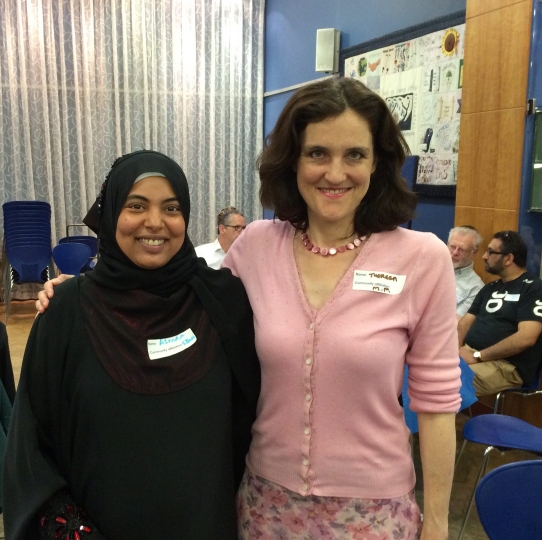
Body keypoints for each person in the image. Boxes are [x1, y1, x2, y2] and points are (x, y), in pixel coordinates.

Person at [36, 80, 461, 540]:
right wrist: (85, 293)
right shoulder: (258, 245)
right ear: (293, 161)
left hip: (374, 512)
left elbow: (436, 404)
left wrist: (437, 523)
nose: (335, 173)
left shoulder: (421, 259)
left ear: (377, 162)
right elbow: (179, 298)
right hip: (266, 507)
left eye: (354, 154)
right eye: (318, 153)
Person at [4, 151, 260, 540]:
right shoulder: (66, 313)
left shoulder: (225, 302)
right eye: (136, 206)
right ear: (111, 215)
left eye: (171, 208)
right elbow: (31, 449)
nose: (155, 222)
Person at [458, 230, 542, 397]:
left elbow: (526, 338)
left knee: (444, 381)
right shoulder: (490, 288)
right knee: (420, 368)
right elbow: (464, 324)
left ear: (509, 259)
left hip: (505, 366)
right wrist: (457, 350)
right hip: (471, 353)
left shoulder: (535, 290)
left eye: (491, 252)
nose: (484, 256)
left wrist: (478, 356)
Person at [448, 225, 485, 320]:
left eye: (461, 249)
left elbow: (455, 323)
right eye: (452, 247)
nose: (455, 252)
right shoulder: (430, 267)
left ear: (474, 253)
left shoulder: (476, 288)